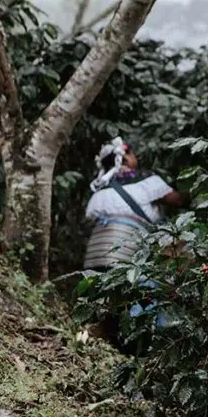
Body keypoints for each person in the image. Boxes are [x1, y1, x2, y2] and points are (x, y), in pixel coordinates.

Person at [84, 137, 188, 343]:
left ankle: (103, 336)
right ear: (124, 157)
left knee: (108, 300)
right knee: (144, 292)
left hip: (94, 255)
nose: (136, 157)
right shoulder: (145, 180)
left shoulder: (99, 191)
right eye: (132, 153)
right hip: (127, 252)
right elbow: (178, 200)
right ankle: (141, 341)